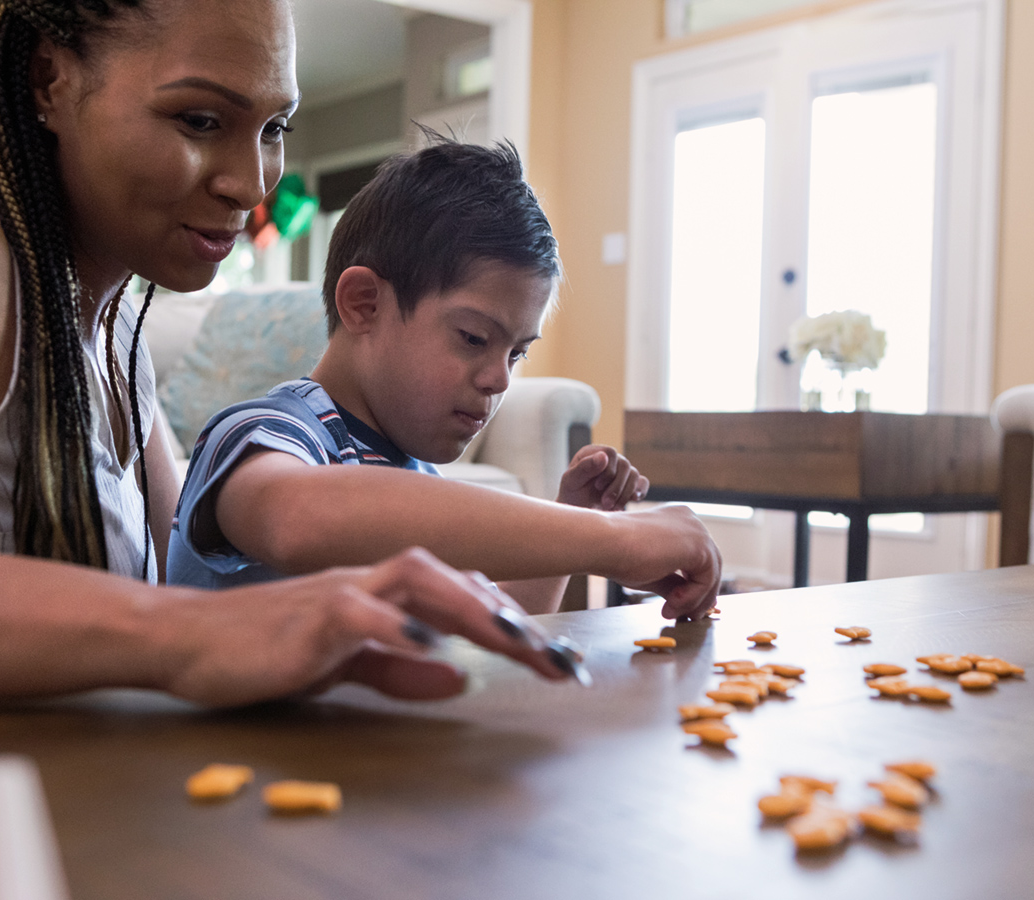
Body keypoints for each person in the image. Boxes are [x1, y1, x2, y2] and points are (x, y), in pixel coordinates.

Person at [0, 0, 579, 706]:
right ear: (49, 79)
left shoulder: (114, 336)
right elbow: (189, 615)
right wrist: (187, 635)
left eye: (273, 126)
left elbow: (177, 580)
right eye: (199, 119)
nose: (251, 183)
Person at [166, 136, 723, 616]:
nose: (499, 381)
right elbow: (297, 519)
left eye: (516, 354)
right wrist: (612, 541)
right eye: (474, 339)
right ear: (364, 304)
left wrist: (569, 523)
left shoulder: (416, 479)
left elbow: (499, 628)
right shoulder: (266, 433)